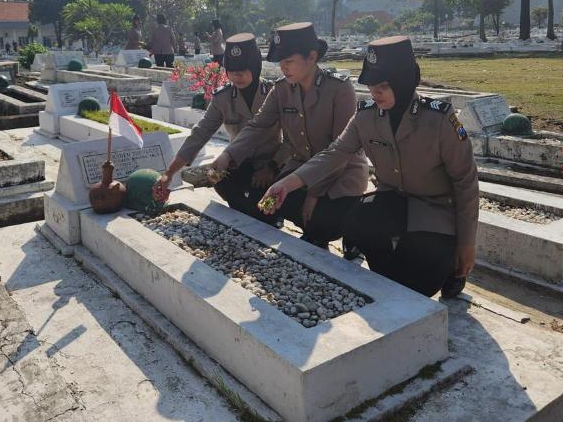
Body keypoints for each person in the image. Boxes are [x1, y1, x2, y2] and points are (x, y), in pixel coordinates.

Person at [259, 36, 479, 298]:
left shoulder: (440, 119)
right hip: (392, 199)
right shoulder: (366, 116)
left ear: (404, 81)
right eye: (372, 86)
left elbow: (465, 182)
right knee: (358, 222)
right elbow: (334, 153)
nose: (375, 93)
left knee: (422, 283)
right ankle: (388, 275)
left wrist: (467, 244)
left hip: (434, 208)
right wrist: (287, 183)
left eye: (383, 86)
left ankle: (452, 270)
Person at [213, 22, 368, 248]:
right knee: (271, 202)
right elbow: (258, 125)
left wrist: (314, 193)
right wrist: (228, 155)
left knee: (324, 219)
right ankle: (311, 231)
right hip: (300, 168)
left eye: (288, 61)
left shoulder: (339, 89)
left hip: (341, 175)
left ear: (311, 57)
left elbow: (340, 151)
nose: (283, 67)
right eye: (280, 62)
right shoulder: (282, 89)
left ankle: (345, 234)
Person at [155, 33, 287, 221]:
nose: (237, 76)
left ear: (255, 67)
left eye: (243, 70)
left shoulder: (274, 94)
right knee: (218, 179)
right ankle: (247, 216)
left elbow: (292, 140)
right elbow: (200, 133)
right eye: (232, 71)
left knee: (265, 204)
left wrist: (272, 167)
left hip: (270, 163)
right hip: (238, 162)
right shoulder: (223, 98)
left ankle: (268, 218)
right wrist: (169, 173)